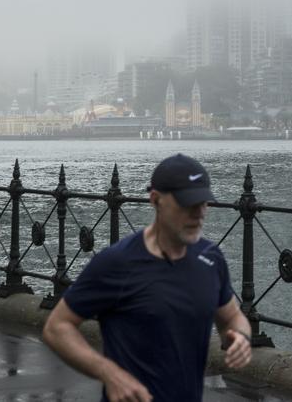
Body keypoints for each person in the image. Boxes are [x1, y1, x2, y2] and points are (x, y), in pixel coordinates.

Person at [43, 153, 252, 402]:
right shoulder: (117, 263)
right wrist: (109, 373)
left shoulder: (210, 258)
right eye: (188, 204)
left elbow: (232, 317)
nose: (199, 214)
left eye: (204, 203)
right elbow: (57, 327)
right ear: (156, 200)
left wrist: (240, 337)